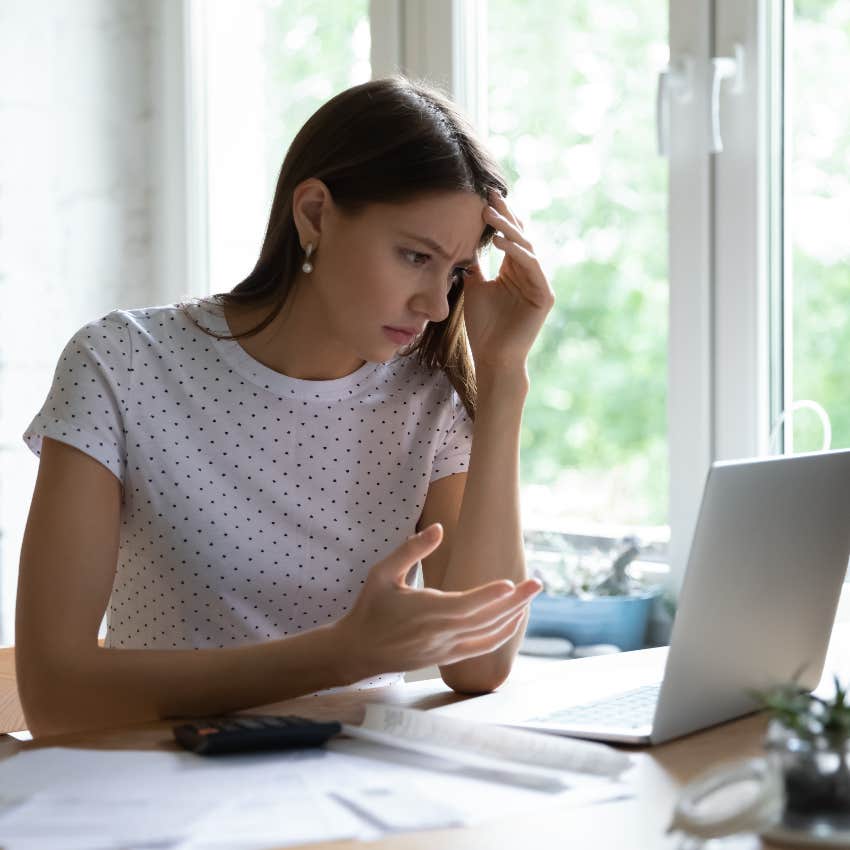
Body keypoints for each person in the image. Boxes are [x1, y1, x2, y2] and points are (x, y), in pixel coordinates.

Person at [15, 75, 555, 738]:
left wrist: (503, 376)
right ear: (315, 214)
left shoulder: (427, 399)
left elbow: (480, 662)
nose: (436, 305)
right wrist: (341, 654)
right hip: (163, 789)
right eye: (415, 255)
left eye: (455, 272)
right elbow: (54, 698)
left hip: (357, 797)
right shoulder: (121, 363)